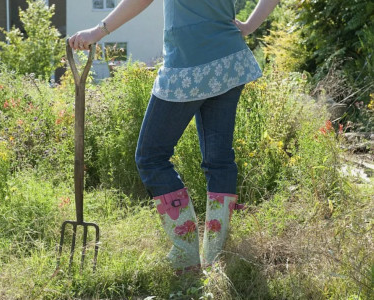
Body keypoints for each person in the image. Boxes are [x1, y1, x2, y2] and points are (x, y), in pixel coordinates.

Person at [69, 0, 280, 273]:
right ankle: (216, 257)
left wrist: (98, 31)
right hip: (229, 60)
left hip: (188, 65)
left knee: (150, 157)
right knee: (219, 161)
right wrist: (250, 25)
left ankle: (186, 254)